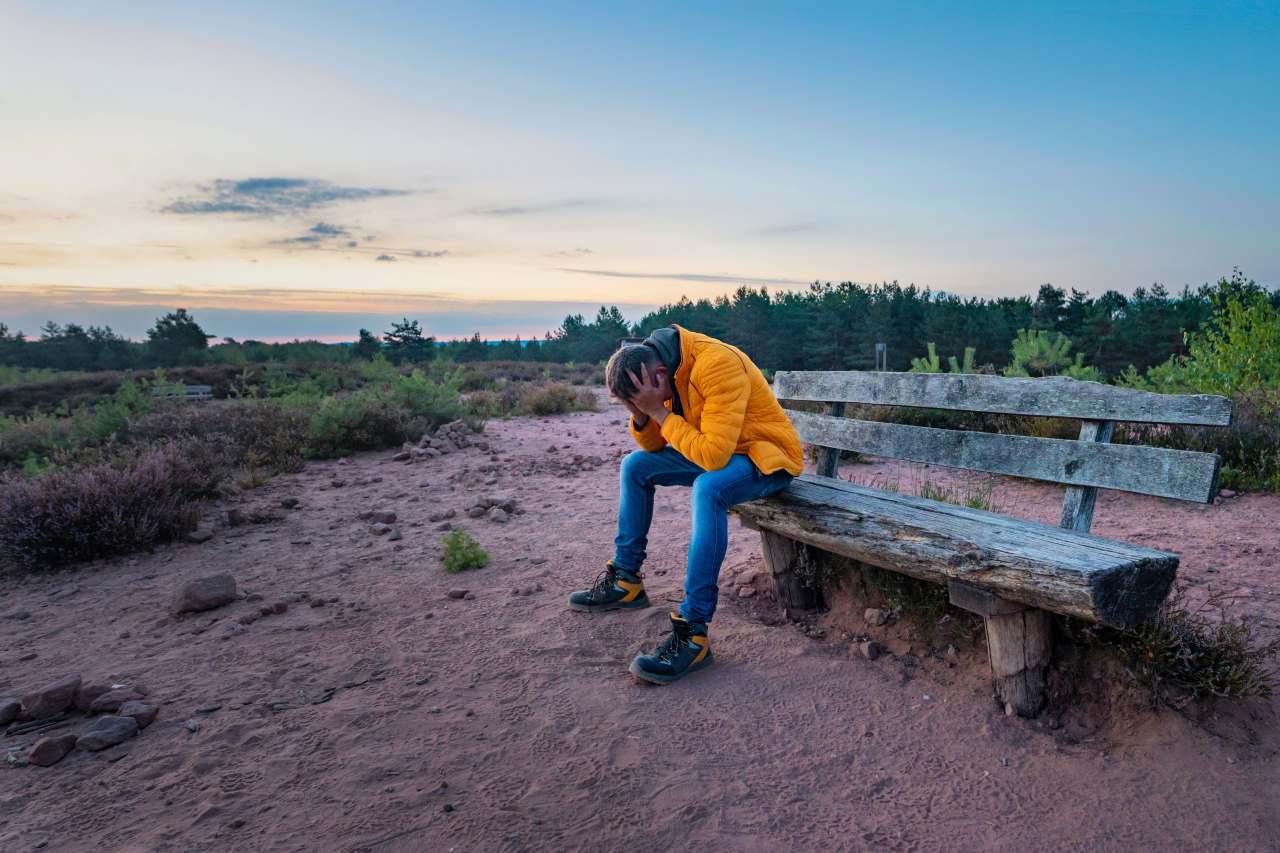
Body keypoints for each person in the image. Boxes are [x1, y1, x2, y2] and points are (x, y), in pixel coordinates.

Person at [568, 325, 803, 684]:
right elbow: (651, 446)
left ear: (658, 374)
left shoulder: (715, 364)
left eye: (638, 398)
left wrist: (659, 413)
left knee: (709, 488)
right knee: (635, 465)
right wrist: (643, 413)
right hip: (722, 452)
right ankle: (626, 581)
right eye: (629, 403)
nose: (639, 405)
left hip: (765, 456)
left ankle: (693, 633)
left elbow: (711, 457)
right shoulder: (663, 368)